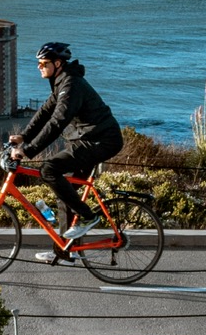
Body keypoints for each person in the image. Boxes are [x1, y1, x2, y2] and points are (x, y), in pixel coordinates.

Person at [10, 42, 124, 243]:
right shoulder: (61, 83)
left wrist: (29, 150)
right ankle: (65, 251)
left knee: (49, 169)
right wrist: (25, 137)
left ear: (58, 63)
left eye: (43, 63)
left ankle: (89, 217)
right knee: (65, 194)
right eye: (39, 63)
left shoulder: (71, 85)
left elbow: (57, 121)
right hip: (89, 139)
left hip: (101, 141)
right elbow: (46, 111)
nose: (39, 66)